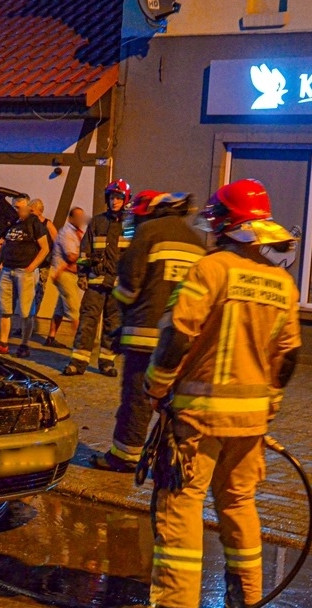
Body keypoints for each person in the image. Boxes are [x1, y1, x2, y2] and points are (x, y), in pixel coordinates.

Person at [115, 178, 301, 608]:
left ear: (225, 225)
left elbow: (179, 333)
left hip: (198, 416)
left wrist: (156, 389)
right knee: (239, 504)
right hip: (252, 419)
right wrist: (270, 406)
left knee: (180, 502)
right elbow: (289, 355)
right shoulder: (282, 282)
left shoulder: (212, 270)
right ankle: (244, 605)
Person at [92, 192, 207, 473]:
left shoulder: (149, 232)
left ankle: (124, 455)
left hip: (144, 336)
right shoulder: (195, 241)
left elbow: (129, 287)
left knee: (137, 399)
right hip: (182, 339)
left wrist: (122, 314)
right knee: (173, 402)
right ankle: (167, 459)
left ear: (148, 213)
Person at [63, 179, 130, 377]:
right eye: (112, 197)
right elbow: (85, 251)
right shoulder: (98, 222)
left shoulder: (130, 225)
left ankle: (107, 363)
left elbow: (135, 253)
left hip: (119, 285)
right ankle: (78, 363)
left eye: (119, 197)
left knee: (113, 325)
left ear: (125, 200)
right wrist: (82, 274)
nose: (115, 201)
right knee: (87, 322)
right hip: (95, 282)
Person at [0, 196, 49, 358]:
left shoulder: (34, 223)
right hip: (8, 270)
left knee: (26, 311)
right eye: (14, 206)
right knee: (4, 310)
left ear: (28, 207)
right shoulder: (11, 223)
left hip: (25, 272)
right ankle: (3, 342)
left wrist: (32, 266)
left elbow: (44, 248)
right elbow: (4, 246)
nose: (16, 210)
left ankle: (24, 344)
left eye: (19, 207)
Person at [43, 207, 88, 348]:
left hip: (68, 273)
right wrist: (86, 257)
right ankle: (80, 344)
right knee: (75, 309)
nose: (81, 220)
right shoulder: (67, 233)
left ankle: (51, 337)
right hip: (65, 274)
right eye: (78, 217)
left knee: (60, 308)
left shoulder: (76, 233)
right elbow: (71, 255)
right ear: (71, 218)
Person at [29, 198, 59, 337]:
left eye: (32, 210)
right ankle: (26, 323)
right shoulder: (29, 224)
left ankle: (32, 322)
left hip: (43, 265)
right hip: (30, 263)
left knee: (38, 293)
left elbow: (57, 242)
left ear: (39, 211)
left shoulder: (47, 224)